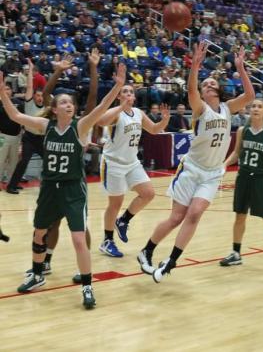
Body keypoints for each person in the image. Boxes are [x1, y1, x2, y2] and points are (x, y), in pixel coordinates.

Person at [0, 63, 126, 309]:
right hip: (49, 188)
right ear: (55, 109)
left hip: (72, 189)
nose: (70, 105)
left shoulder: (80, 127)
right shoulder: (45, 127)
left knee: (79, 239)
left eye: (71, 103)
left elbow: (100, 108)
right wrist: (4, 95)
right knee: (39, 233)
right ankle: (37, 275)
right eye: (64, 102)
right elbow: (16, 116)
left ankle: (87, 286)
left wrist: (117, 87)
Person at [137, 42, 255, 282]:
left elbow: (250, 96)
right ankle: (146, 251)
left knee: (195, 213)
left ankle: (170, 262)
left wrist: (241, 68)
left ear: (218, 89)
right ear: (202, 92)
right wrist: (196, 66)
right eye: (205, 83)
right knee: (176, 218)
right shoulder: (200, 108)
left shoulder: (227, 108)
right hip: (191, 169)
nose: (208, 84)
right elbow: (191, 90)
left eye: (212, 82)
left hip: (212, 173)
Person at [97, 84, 170, 258]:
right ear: (119, 96)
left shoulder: (138, 113)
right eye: (125, 92)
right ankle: (107, 241)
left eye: (131, 92)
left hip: (132, 162)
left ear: (134, 97)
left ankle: (123, 221)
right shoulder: (116, 113)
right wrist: (121, 107)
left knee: (148, 193)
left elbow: (153, 129)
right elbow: (101, 121)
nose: (129, 94)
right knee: (115, 203)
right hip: (113, 163)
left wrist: (165, 120)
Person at [220, 99, 263, 277]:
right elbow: (237, 153)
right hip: (244, 177)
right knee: (240, 217)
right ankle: (236, 253)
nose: (255, 109)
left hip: (262, 180)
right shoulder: (243, 131)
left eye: (259, 106)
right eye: (253, 106)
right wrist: (224, 165)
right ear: (249, 110)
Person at [7, 59, 45, 194]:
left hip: (41, 139)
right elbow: (29, 86)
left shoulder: (47, 107)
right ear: (34, 96)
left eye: (42, 96)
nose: (40, 97)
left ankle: (48, 185)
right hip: (29, 138)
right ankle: (12, 186)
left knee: (49, 160)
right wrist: (30, 69)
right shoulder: (29, 103)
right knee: (23, 162)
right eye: (38, 95)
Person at [0, 83, 22, 189]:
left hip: (16, 136)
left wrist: (22, 138)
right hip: (2, 136)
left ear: (11, 90)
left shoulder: (18, 103)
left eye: (8, 89)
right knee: (0, 160)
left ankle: (11, 183)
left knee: (14, 162)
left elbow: (22, 120)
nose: (7, 91)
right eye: (4, 89)